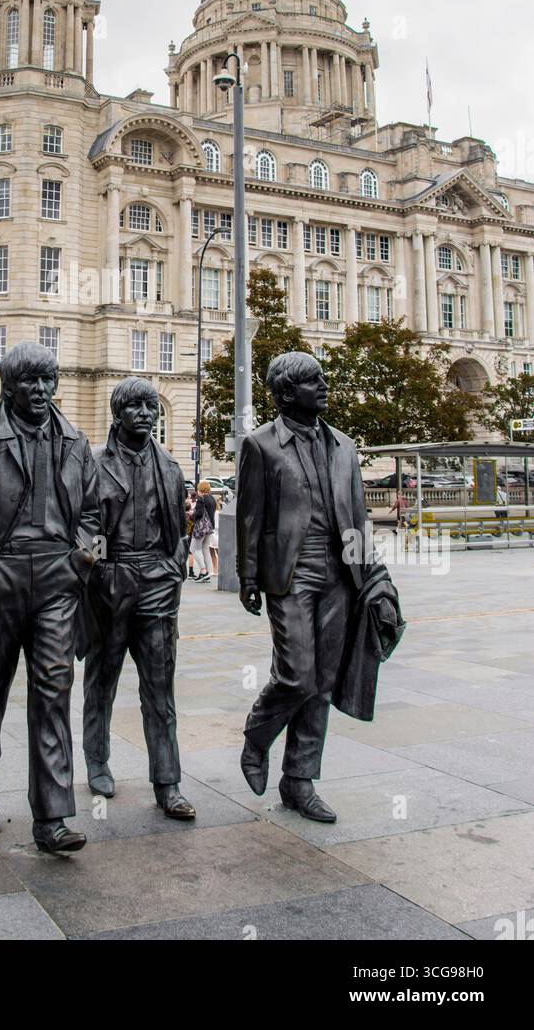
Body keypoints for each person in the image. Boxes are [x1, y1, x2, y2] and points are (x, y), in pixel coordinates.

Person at [0, 340, 100, 856]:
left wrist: (82, 557)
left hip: (58, 581)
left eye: (47, 380)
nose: (39, 390)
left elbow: (95, 517)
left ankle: (52, 816)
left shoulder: (77, 442)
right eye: (28, 382)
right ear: (7, 387)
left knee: (54, 691)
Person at [236, 351, 386, 824]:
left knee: (321, 681)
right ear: (285, 393)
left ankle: (299, 780)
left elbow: (358, 515)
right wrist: (248, 577)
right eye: (312, 381)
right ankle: (257, 737)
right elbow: (250, 516)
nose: (324, 385)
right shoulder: (261, 445)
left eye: (322, 377)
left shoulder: (344, 445)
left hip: (340, 573)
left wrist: (371, 576)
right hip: (291, 570)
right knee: (296, 674)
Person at [82, 378, 195, 820]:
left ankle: (168, 783)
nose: (146, 414)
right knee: (101, 680)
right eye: (136, 407)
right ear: (118, 413)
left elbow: (178, 531)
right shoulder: (93, 463)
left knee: (160, 690)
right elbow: (83, 524)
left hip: (157, 584)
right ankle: (97, 761)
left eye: (151, 406)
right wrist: (100, 570)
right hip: (111, 584)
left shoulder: (169, 465)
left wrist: (174, 567)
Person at [190, 481, 216, 583]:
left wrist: (192, 515)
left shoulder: (201, 499)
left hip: (201, 528)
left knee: (194, 548)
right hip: (210, 527)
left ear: (200, 488)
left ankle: (203, 570)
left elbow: (199, 513)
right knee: (205, 549)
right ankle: (207, 573)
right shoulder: (212, 499)